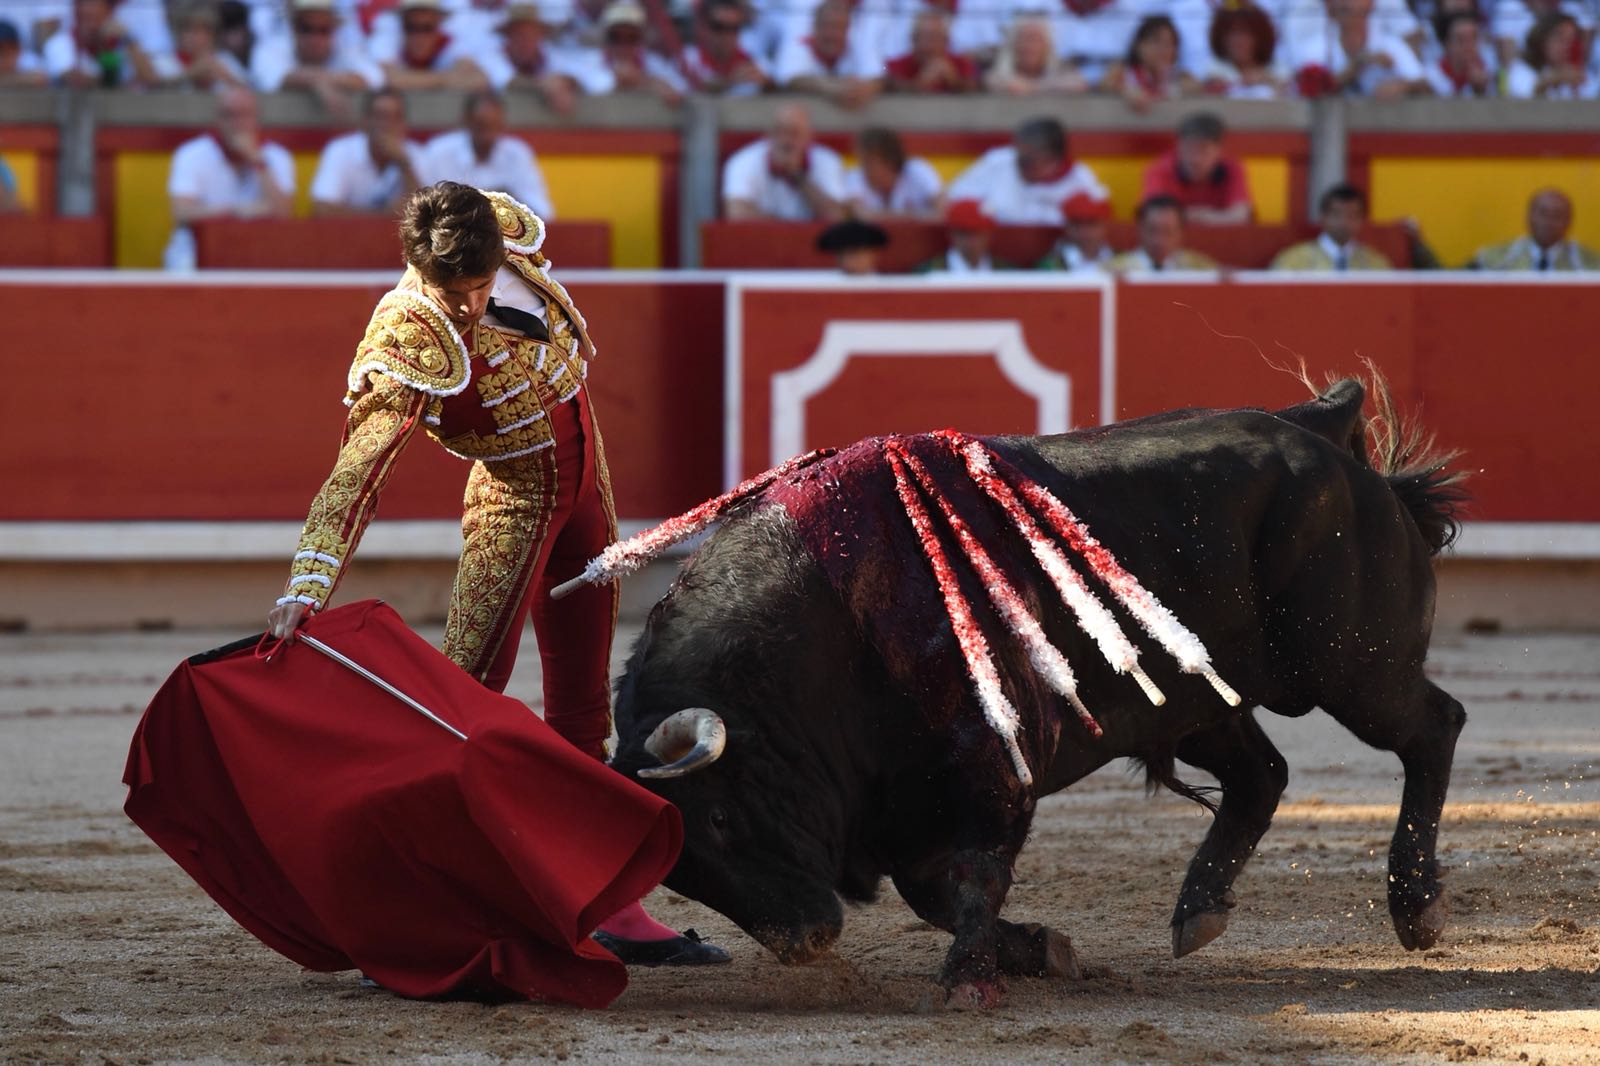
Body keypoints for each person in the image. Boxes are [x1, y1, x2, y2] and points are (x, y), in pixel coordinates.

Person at [265, 181, 730, 968]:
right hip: (514, 506)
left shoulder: (501, 229)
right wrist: (307, 585)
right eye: (458, 292)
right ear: (422, 271)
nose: (472, 305)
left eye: (482, 286)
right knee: (461, 706)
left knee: (583, 708)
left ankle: (608, 902)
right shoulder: (408, 333)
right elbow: (360, 467)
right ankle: (420, 910)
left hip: (587, 486)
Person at [163, 86, 295, 272]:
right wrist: (236, 211)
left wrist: (257, 161)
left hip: (258, 247)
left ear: (257, 118)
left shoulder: (277, 156)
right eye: (229, 115)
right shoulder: (191, 154)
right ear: (218, 119)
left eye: (244, 115)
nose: (237, 123)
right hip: (198, 247)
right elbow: (181, 212)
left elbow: (283, 213)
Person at [946, 116, 1108, 226]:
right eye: (1018, 156)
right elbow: (949, 200)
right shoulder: (1000, 161)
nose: (1018, 164)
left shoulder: (1080, 179)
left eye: (1027, 161)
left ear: (1053, 160)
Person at [424, 91, 554, 219]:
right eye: (481, 126)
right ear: (466, 121)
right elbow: (427, 210)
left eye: (494, 127)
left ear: (502, 124)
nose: (488, 136)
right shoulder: (440, 152)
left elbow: (543, 213)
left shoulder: (517, 154)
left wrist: (510, 200)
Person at [311, 87, 427, 216]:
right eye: (381, 116)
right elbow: (322, 210)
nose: (387, 125)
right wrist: (385, 216)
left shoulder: (415, 154)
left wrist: (404, 164)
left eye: (395, 118)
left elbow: (426, 215)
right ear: (365, 121)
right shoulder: (341, 151)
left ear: (404, 124)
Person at [721, 103, 846, 221]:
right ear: (768, 134)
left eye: (794, 133)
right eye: (779, 131)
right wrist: (788, 228)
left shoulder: (828, 161)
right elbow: (737, 214)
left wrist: (797, 175)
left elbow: (834, 216)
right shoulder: (743, 161)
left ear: (809, 136)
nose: (786, 141)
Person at [250, 0, 383, 111]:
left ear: (334, 29)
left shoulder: (345, 48)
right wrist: (320, 83)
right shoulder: (270, 47)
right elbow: (275, 78)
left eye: (323, 30)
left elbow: (375, 79)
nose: (314, 39)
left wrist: (322, 81)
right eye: (306, 29)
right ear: (293, 28)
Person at [486, 3, 612, 111]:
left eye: (531, 33)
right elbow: (503, 81)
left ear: (541, 35)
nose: (525, 40)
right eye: (518, 34)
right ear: (507, 36)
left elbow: (599, 81)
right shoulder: (492, 58)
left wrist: (567, 82)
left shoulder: (553, 58)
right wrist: (545, 86)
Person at [1292, 0, 1430, 99]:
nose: (1345, 4)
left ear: (1370, 4)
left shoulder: (1392, 46)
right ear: (1330, 6)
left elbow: (1426, 87)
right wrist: (1356, 66)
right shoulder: (1313, 48)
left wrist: (1403, 86)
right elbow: (1308, 93)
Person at [1141, 112, 1253, 226]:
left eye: (1203, 150)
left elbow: (1241, 216)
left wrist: (1201, 216)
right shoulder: (1160, 170)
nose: (1194, 159)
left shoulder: (1232, 168)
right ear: (1178, 146)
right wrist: (1218, 217)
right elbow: (1154, 219)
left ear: (1219, 150)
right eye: (1188, 149)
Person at [774, 0, 885, 109]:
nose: (833, 34)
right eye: (828, 26)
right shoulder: (799, 44)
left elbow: (878, 78)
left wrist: (866, 89)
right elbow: (792, 80)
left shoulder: (858, 44)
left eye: (840, 27)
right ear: (815, 27)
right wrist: (835, 89)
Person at [374, 0, 492, 91]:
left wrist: (411, 80)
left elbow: (479, 80)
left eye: (427, 28)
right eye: (411, 27)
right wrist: (446, 79)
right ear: (402, 25)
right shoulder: (388, 39)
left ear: (438, 26)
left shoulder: (450, 44)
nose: (419, 36)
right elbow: (389, 79)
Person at [1469, 188, 1600, 270]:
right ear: (1529, 217)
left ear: (1569, 222)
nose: (1549, 221)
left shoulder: (1591, 264)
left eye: (1557, 215)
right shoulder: (1493, 259)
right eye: (1543, 213)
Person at [1271, 183, 1393, 270]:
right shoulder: (1292, 261)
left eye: (1352, 215)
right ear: (1322, 217)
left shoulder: (1376, 264)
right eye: (1336, 214)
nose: (1344, 222)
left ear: (1362, 220)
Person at [41, 0, 160, 87]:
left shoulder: (122, 43)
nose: (87, 10)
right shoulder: (60, 42)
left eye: (94, 9)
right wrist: (121, 84)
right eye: (83, 9)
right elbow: (73, 78)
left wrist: (129, 40)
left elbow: (151, 78)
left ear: (109, 13)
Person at [593, 0, 688, 103]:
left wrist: (644, 81)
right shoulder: (591, 61)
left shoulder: (654, 62)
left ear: (641, 40)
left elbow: (682, 91)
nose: (623, 45)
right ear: (605, 38)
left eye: (632, 38)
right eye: (615, 37)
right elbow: (591, 85)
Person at [843, 126, 942, 219]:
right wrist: (916, 215)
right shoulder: (855, 177)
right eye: (862, 160)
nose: (864, 167)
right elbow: (859, 213)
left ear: (890, 160)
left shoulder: (917, 169)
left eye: (869, 161)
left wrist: (880, 215)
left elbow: (942, 208)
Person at [1102, 15, 1197, 110]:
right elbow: (1104, 87)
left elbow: (1196, 88)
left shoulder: (1180, 77)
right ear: (1139, 45)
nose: (1164, 49)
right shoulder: (1121, 73)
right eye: (1156, 41)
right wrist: (1126, 91)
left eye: (1170, 43)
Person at [1107, 196, 1218, 273]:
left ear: (1181, 232)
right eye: (1152, 230)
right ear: (1139, 229)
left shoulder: (1202, 269)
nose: (1159, 241)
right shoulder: (1113, 269)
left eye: (1168, 232)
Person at [1201, 2, 1288, 99]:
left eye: (1244, 33)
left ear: (1260, 38)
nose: (1237, 41)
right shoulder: (1213, 70)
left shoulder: (1278, 70)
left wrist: (1267, 80)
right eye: (1231, 34)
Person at [682, 0, 770, 95]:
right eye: (718, 27)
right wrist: (729, 81)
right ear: (702, 26)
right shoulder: (687, 60)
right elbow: (686, 90)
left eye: (734, 28)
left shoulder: (755, 61)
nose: (727, 35)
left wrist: (768, 86)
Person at [984, 15, 1088, 96]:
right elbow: (992, 81)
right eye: (1023, 39)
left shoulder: (1062, 68)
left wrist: (1033, 88)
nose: (1028, 46)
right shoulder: (999, 74)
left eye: (1034, 39)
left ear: (1047, 45)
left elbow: (1079, 84)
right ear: (1013, 45)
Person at [156, 3, 249, 91]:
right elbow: (154, 89)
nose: (198, 37)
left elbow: (254, 96)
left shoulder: (225, 60)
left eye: (206, 31)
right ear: (178, 33)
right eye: (191, 30)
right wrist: (190, 75)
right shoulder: (164, 62)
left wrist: (226, 77)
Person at [1504, 12, 1597, 98]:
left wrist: (1575, 90)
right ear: (1542, 38)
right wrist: (1554, 79)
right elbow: (1523, 94)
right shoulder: (1521, 69)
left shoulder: (1582, 74)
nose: (1566, 45)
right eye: (1560, 38)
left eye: (1572, 39)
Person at [884, 10, 979, 93]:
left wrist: (954, 80)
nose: (928, 45)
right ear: (913, 40)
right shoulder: (895, 66)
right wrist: (918, 84)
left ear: (946, 40)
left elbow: (976, 90)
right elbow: (888, 86)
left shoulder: (962, 64)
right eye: (922, 37)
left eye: (934, 38)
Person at [915, 200, 1014, 273]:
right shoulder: (930, 271)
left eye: (978, 233)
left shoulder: (1005, 270)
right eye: (965, 234)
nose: (972, 241)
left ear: (989, 235)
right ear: (951, 234)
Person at [1036, 193, 1114, 272]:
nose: (1084, 232)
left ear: (1106, 226)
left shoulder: (1121, 259)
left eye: (1091, 223)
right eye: (1077, 224)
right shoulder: (1050, 265)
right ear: (1066, 227)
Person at [1426, 11, 1497, 95]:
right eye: (1461, 40)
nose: (1469, 46)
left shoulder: (1493, 72)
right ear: (1446, 43)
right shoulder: (1430, 77)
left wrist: (1482, 90)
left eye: (1474, 38)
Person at [817, 218, 889, 275]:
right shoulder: (825, 284)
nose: (850, 261)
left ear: (874, 254)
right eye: (843, 254)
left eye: (857, 254)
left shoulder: (889, 285)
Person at [0, 18, 49, 86]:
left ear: (18, 50)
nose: (1, 59)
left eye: (4, 52)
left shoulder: (28, 60)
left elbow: (41, 78)